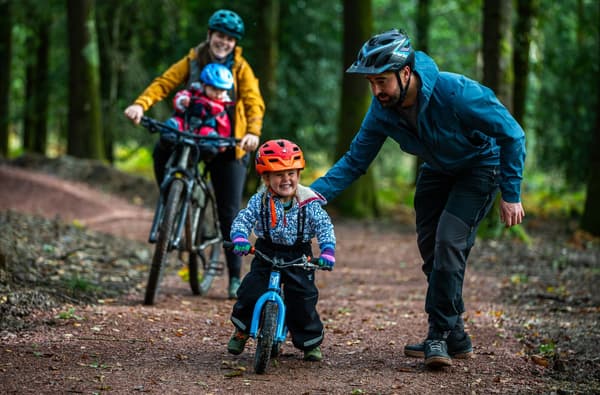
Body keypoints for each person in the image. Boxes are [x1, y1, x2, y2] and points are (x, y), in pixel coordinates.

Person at [310, 29, 526, 368]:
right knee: (431, 251)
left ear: (406, 73)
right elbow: (355, 160)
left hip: (480, 168)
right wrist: (312, 195)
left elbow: (512, 133)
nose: (376, 90)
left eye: (382, 81)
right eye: (370, 83)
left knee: (448, 244)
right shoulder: (382, 110)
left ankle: (438, 335)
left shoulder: (455, 93)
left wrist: (511, 194)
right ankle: (457, 335)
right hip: (438, 170)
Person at [124, 9, 265, 298]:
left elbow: (253, 102)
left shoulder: (241, 69)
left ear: (234, 43)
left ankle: (235, 278)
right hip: (193, 134)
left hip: (228, 142)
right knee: (163, 144)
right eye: (219, 35)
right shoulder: (193, 60)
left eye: (229, 38)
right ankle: (172, 195)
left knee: (229, 211)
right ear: (209, 35)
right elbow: (164, 83)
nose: (223, 42)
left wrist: (252, 133)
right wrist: (141, 104)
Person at [226, 139, 336, 362]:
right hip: (266, 251)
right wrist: (240, 238)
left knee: (303, 298)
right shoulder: (260, 201)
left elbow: (324, 226)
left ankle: (310, 342)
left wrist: (327, 251)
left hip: (298, 254)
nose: (286, 179)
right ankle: (242, 330)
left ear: (298, 174)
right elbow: (243, 220)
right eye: (278, 174)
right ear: (266, 178)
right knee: (250, 290)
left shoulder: (309, 203)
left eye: (291, 173)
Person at [165, 62, 234, 141]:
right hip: (185, 125)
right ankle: (165, 147)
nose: (218, 94)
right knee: (171, 125)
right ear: (204, 86)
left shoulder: (222, 109)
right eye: (214, 89)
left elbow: (224, 126)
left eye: (222, 91)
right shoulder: (194, 93)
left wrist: (222, 141)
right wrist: (182, 101)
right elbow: (179, 97)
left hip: (203, 134)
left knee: (212, 139)